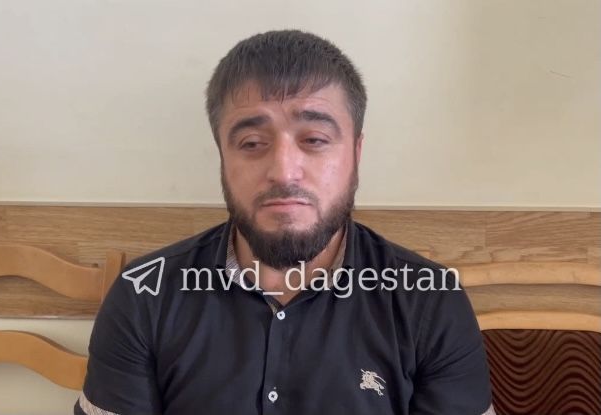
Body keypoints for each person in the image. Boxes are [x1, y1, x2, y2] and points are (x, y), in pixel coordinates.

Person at [75, 29, 495, 415]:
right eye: (252, 143)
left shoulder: (431, 302)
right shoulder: (144, 296)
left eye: (314, 140)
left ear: (356, 153)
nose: (283, 171)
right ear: (222, 156)